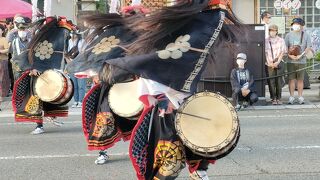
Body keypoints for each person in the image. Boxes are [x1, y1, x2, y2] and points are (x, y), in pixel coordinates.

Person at [101, 1, 242, 179]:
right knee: (168, 153)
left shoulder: (191, 32)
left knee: (198, 143)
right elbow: (153, 66)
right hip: (164, 105)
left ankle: (200, 171)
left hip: (181, 98)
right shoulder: (163, 35)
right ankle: (105, 152)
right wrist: (162, 97)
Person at [66, 6, 149, 165]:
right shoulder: (111, 33)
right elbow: (95, 56)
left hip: (135, 84)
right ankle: (103, 151)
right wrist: (95, 73)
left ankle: (143, 150)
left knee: (144, 120)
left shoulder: (143, 35)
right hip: (109, 83)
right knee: (103, 119)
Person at [12, 16, 75, 134]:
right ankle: (39, 125)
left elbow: (61, 52)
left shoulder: (57, 36)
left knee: (52, 96)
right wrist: (31, 68)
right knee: (37, 100)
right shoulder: (38, 37)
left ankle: (51, 117)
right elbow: (27, 54)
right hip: (37, 73)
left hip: (50, 72)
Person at [285, 17, 312, 105]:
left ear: (301, 26)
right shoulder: (288, 35)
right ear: (292, 25)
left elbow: (308, 47)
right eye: (294, 24)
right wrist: (290, 56)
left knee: (300, 80)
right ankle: (291, 97)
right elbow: (285, 48)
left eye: (298, 24)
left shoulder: (306, 35)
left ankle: (300, 96)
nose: (296, 26)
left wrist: (301, 55)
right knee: (291, 79)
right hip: (290, 61)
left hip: (302, 61)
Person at [265, 24, 286, 105]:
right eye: (271, 30)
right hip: (269, 63)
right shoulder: (266, 40)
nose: (272, 32)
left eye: (274, 30)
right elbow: (266, 53)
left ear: (277, 31)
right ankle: (273, 98)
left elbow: (282, 52)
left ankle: (279, 98)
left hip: (279, 62)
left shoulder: (281, 40)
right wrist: (270, 63)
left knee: (278, 81)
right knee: (271, 81)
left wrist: (277, 62)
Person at [65, 30, 86, 108]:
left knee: (81, 84)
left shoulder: (82, 41)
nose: (73, 35)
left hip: (80, 64)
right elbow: (66, 54)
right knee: (74, 84)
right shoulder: (68, 41)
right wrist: (69, 62)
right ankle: (76, 100)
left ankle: (81, 101)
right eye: (72, 33)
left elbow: (83, 54)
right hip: (71, 64)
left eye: (74, 33)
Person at [0, 24, 10, 110]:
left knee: (2, 79)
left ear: (2, 31)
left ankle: (2, 95)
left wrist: (0, 51)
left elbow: (8, 49)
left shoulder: (4, 39)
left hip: (3, 60)